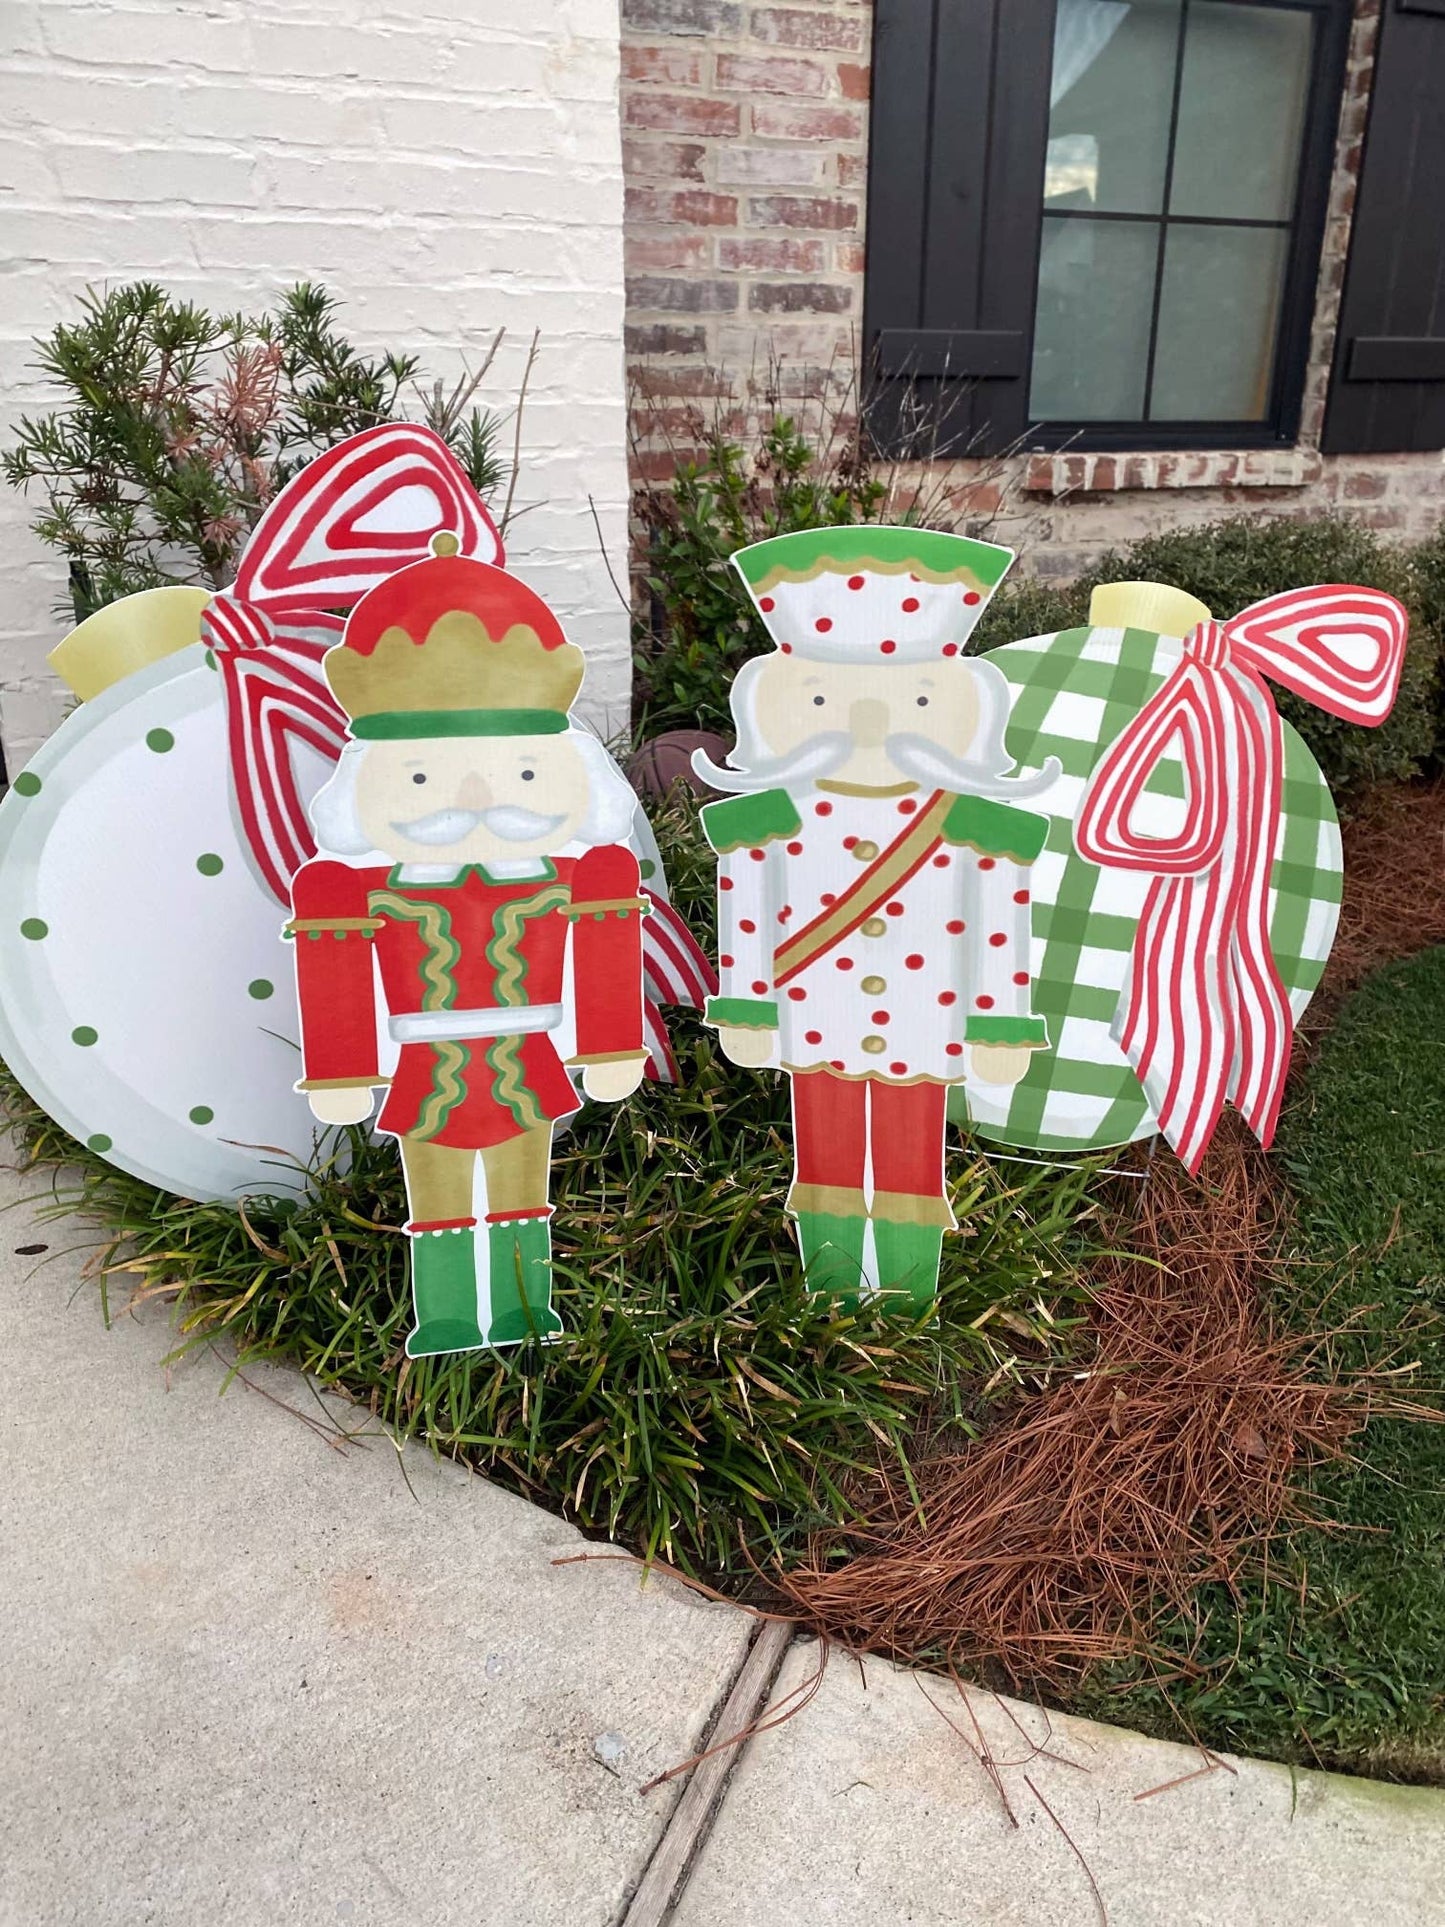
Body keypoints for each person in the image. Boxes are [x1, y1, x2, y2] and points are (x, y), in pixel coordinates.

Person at [288, 541, 648, 1355]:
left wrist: (609, 1045)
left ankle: (524, 1304)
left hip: (526, 1051)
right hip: (426, 1060)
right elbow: (337, 969)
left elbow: (601, 948)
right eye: (420, 779)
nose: (478, 795)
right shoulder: (359, 891)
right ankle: (449, 1311)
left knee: (522, 1181)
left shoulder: (575, 877)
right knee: (443, 1187)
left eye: (524, 776)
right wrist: (345, 1068)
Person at [696, 527, 1059, 1307]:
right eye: (823, 700)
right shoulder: (768, 819)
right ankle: (829, 1286)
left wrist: (998, 1024)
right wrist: (746, 1004)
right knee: (823, 1156)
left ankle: (900, 1291)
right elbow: (747, 912)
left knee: (905, 1159)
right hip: (814, 1022)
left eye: (915, 701)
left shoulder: (972, 824)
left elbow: (1000, 925)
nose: (869, 723)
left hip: (922, 1024)